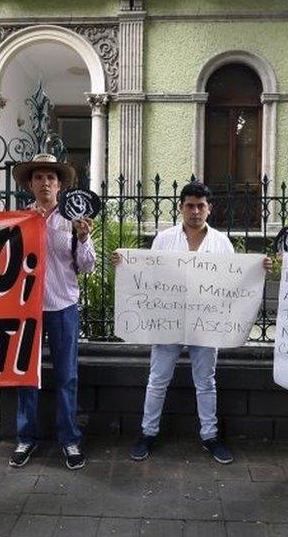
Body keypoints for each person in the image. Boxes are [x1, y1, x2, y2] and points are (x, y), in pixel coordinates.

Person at [117, 182, 272, 464]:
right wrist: (124, 263)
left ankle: (210, 436)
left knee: (205, 381)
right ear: (181, 208)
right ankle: (147, 433)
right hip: (169, 320)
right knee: (158, 379)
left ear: (209, 209)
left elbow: (233, 281)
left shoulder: (221, 243)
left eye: (201, 206)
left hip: (206, 321)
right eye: (190, 205)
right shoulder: (164, 239)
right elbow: (149, 276)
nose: (196, 211)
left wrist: (258, 269)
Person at [9, 153, 95, 470]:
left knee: (66, 376)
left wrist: (84, 239)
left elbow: (86, 266)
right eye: (39, 177)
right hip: (27, 309)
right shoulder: (19, 222)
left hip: (63, 307)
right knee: (26, 376)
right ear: (30, 184)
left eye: (51, 178)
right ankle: (25, 438)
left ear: (60, 185)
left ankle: (69, 440)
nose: (45, 182)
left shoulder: (73, 221)